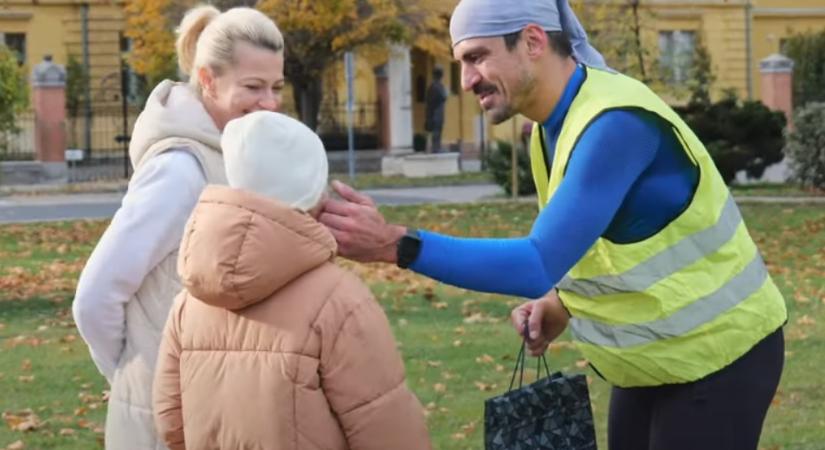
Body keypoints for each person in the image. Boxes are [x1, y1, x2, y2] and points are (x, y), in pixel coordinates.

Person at [318, 1, 787, 449]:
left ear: (533, 41)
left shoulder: (614, 125)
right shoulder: (551, 127)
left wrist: (396, 245)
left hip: (721, 356)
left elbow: (536, 262)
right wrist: (560, 303)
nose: (465, 81)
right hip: (654, 361)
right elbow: (596, 242)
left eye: (477, 57)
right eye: (461, 62)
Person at [151, 111, 432, 450]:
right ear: (317, 196)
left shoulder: (191, 299)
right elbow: (387, 428)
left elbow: (170, 420)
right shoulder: (339, 300)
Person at [72, 6, 286, 449]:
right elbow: (95, 297)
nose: (269, 102)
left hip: (211, 407)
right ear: (208, 80)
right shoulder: (180, 170)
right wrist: (135, 373)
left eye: (276, 87)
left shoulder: (231, 155)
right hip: (165, 418)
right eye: (253, 87)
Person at [424, 66, 448, 152]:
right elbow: (442, 97)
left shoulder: (439, 86)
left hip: (439, 112)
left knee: (438, 131)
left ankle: (437, 147)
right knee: (436, 131)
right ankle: (435, 148)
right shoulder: (434, 87)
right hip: (435, 112)